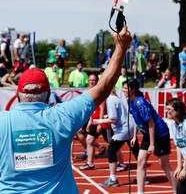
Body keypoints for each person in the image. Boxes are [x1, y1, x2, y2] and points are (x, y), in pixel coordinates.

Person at [0, 25, 132, 193]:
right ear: (48, 94)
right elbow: (103, 88)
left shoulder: (2, 121)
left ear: (18, 96)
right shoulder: (63, 116)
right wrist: (121, 46)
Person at [122, 79, 177, 194]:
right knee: (140, 162)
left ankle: (177, 191)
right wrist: (135, 137)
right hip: (147, 135)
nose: (123, 90)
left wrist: (152, 145)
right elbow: (136, 120)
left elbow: (150, 123)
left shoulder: (140, 102)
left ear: (133, 89)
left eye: (126, 88)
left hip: (160, 134)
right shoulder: (129, 101)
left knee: (164, 165)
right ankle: (140, 192)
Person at [93, 89, 139, 187]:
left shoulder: (110, 100)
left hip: (124, 129)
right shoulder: (115, 98)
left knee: (111, 150)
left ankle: (113, 179)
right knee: (136, 151)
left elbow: (113, 120)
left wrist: (99, 121)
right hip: (129, 127)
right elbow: (117, 115)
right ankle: (144, 176)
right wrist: (106, 116)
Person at [74, 73, 106, 161]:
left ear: (97, 81)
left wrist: (100, 123)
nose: (91, 82)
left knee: (111, 140)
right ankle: (97, 148)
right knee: (82, 133)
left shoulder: (99, 92)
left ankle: (90, 151)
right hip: (92, 119)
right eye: (90, 80)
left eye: (93, 80)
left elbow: (102, 108)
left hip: (99, 120)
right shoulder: (89, 92)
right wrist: (88, 122)